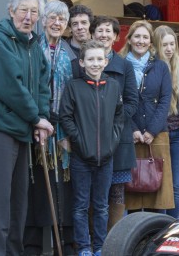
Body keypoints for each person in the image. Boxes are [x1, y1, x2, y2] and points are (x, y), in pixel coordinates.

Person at [0, 0, 53, 256]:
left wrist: (41, 117)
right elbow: (9, 86)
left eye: (34, 12)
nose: (29, 16)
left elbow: (43, 84)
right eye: (24, 10)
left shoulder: (34, 44)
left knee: (18, 202)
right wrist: (36, 118)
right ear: (11, 11)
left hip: (23, 130)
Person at [59, 40, 124, 256]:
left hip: (106, 158)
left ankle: (99, 247)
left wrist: (112, 141)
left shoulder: (113, 86)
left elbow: (118, 116)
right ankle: (84, 247)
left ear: (105, 61)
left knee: (102, 206)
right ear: (82, 62)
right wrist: (78, 140)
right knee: (80, 206)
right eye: (90, 59)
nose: (95, 63)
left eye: (99, 59)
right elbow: (65, 117)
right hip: (81, 158)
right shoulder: (74, 87)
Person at [24, 0, 76, 256]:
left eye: (62, 20)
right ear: (43, 20)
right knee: (35, 188)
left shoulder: (71, 55)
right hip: (37, 127)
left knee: (62, 190)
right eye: (53, 18)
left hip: (62, 132)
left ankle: (63, 247)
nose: (57, 24)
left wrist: (66, 131)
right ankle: (32, 247)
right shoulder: (32, 48)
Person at [89, 15, 138, 229]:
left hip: (118, 140)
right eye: (99, 30)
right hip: (90, 139)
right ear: (92, 34)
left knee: (116, 192)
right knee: (93, 191)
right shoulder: (86, 62)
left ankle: (113, 242)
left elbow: (131, 101)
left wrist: (113, 124)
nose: (103, 35)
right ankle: (94, 242)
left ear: (116, 36)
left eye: (108, 31)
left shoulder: (125, 66)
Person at [123, 20, 174, 211]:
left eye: (145, 37)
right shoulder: (120, 66)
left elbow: (165, 100)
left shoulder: (160, 67)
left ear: (151, 42)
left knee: (156, 193)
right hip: (131, 137)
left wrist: (152, 130)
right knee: (134, 192)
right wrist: (133, 129)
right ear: (129, 39)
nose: (141, 41)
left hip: (157, 135)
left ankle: (153, 237)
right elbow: (119, 103)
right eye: (137, 36)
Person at [153, 25, 179, 217]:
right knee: (157, 183)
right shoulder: (152, 66)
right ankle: (157, 228)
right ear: (156, 46)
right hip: (157, 133)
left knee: (176, 184)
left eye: (172, 44)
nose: (169, 49)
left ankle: (172, 226)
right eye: (164, 45)